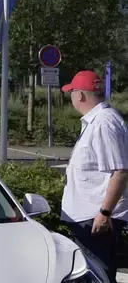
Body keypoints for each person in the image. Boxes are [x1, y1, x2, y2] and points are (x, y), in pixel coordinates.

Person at [60, 70, 128, 282]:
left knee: (99, 275)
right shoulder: (98, 120)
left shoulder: (103, 122)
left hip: (96, 218)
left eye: (71, 92)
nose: (70, 97)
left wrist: (104, 212)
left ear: (80, 95)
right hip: (89, 216)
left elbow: (121, 170)